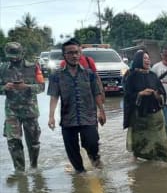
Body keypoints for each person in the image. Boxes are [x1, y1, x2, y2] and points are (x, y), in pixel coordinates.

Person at [47, 39, 106, 173]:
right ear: (64, 55)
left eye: (77, 52)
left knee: (92, 143)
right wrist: (51, 117)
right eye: (70, 53)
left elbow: (96, 93)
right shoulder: (56, 76)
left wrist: (101, 112)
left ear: (80, 54)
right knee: (72, 150)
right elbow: (54, 96)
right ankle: (80, 176)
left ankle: (96, 164)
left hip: (88, 117)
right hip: (68, 119)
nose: (74, 56)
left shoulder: (89, 74)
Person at [0, 42, 45, 171]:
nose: (13, 59)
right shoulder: (2, 68)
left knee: (33, 141)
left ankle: (34, 167)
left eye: (16, 55)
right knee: (13, 142)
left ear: (22, 53)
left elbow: (42, 87)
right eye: (11, 56)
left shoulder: (33, 67)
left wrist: (27, 87)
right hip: (11, 111)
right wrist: (4, 88)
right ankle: (19, 171)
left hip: (30, 109)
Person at [123, 50, 167, 162]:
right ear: (138, 60)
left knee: (160, 139)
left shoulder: (153, 75)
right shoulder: (131, 76)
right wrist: (140, 94)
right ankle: (140, 162)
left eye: (148, 58)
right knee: (140, 140)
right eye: (145, 58)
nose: (147, 60)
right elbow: (127, 96)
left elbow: (162, 93)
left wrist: (158, 95)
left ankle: (160, 162)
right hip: (139, 115)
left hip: (156, 114)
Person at [59, 39, 105, 103]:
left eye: (78, 48)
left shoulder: (89, 60)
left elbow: (96, 78)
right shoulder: (64, 63)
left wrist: (101, 92)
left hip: (88, 97)